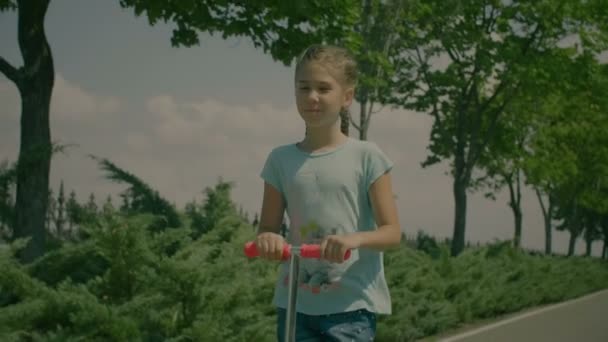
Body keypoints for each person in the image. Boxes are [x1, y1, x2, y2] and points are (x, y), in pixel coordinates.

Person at [255, 44, 402, 341]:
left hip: (350, 309)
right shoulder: (280, 160)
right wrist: (269, 240)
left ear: (347, 96)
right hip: (294, 306)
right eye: (303, 87)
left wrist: (353, 239)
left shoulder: (367, 156)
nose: (312, 97)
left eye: (323, 88)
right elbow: (267, 229)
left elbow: (392, 232)